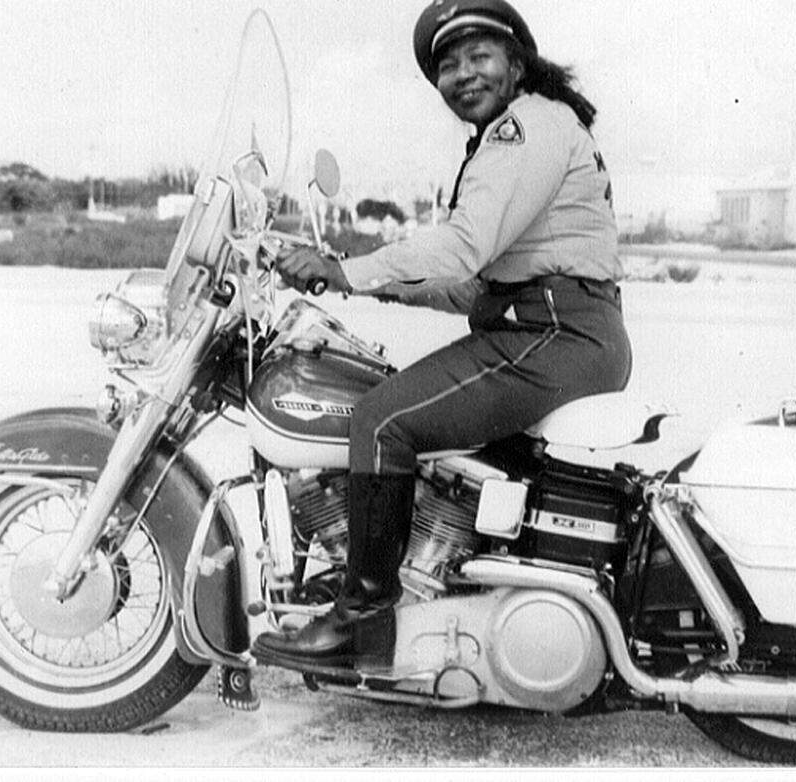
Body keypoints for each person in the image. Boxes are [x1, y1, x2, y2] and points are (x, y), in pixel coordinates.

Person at [258, 0, 632, 666]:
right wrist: (353, 282)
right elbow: (472, 284)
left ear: (518, 65)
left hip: (551, 339)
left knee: (382, 419)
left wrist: (347, 268)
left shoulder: (528, 127)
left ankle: (361, 624)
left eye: (480, 56)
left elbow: (461, 250)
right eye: (449, 65)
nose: (464, 74)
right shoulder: (521, 132)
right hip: (552, 329)